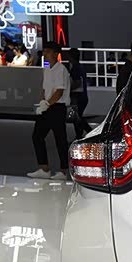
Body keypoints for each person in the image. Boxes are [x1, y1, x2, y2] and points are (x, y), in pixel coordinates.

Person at [27, 41, 70, 180]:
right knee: (37, 136)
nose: (45, 54)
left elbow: (59, 91)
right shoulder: (47, 69)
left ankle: (63, 171)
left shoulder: (61, 69)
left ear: (56, 53)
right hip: (47, 106)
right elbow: (44, 88)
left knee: (60, 139)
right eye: (44, 51)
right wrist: (42, 101)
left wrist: (47, 103)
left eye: (48, 51)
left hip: (57, 107)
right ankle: (43, 168)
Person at [67, 47, 91, 138]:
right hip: (83, 96)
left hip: (77, 97)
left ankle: (86, 133)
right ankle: (81, 135)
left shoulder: (75, 68)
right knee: (78, 117)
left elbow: (77, 83)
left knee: (77, 118)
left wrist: (68, 89)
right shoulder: (80, 67)